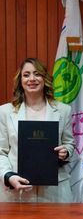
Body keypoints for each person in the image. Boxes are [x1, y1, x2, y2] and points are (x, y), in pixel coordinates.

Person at [0, 58, 75, 202]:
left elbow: (70, 143)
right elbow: (0, 152)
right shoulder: (4, 112)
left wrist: (65, 151)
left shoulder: (63, 110)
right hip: (17, 191)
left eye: (37, 74)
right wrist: (8, 176)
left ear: (44, 78)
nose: (32, 79)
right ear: (20, 80)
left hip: (55, 191)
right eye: (26, 75)